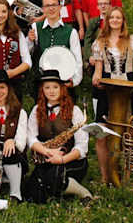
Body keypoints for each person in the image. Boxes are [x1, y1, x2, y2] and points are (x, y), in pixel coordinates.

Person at [91, 6, 133, 185]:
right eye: (112, 18)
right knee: (101, 133)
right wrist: (96, 78)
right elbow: (99, 70)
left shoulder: (132, 41)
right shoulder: (100, 41)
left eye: (119, 18)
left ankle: (123, 173)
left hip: (128, 89)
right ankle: (105, 176)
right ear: (107, 21)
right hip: (107, 89)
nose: (115, 21)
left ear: (123, 21)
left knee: (130, 132)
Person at [24, 69, 92, 201]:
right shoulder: (36, 110)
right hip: (48, 158)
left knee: (53, 178)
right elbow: (31, 138)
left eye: (55, 87)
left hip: (72, 162)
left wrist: (62, 159)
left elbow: (82, 147)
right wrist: (47, 151)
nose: (51, 91)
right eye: (47, 87)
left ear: (62, 89)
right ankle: (61, 189)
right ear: (42, 90)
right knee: (31, 193)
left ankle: (83, 192)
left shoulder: (75, 111)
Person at [29, 0, 83, 87]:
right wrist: (29, 40)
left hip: (63, 82)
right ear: (43, 9)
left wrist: (74, 81)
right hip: (41, 81)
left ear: (60, 7)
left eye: (54, 5)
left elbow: (77, 59)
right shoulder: (35, 27)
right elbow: (29, 53)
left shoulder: (71, 31)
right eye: (47, 6)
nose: (51, 8)